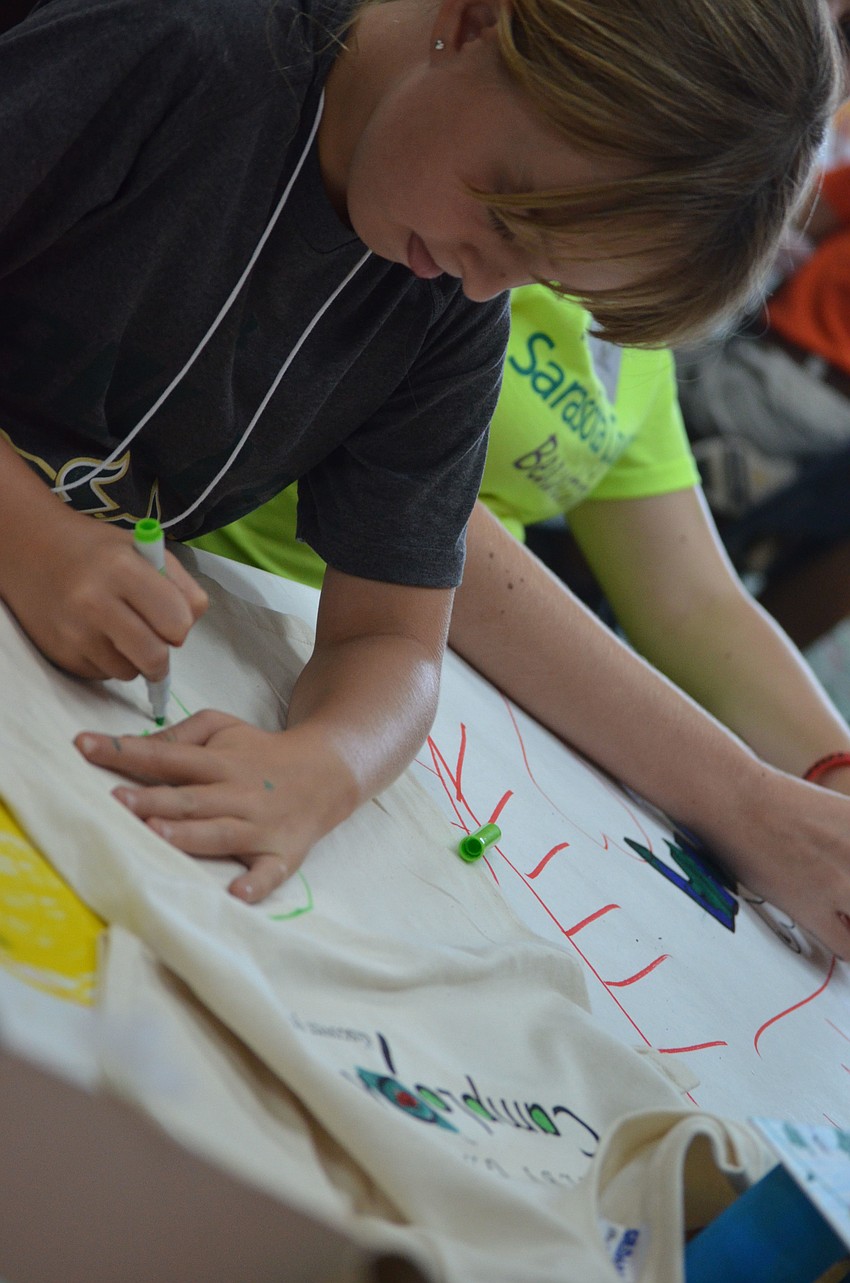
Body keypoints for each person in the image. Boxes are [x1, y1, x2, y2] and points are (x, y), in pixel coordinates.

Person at [0, 0, 840, 911]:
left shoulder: (444, 301)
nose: (487, 282)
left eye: (543, 277)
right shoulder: (188, 45)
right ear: (475, 23)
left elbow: (393, 635)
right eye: (507, 219)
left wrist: (328, 761)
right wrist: (30, 536)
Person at [198, 283, 850, 959]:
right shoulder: (469, 260)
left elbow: (694, 602)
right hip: (274, 625)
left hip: (415, 689)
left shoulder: (635, 329)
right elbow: (415, 517)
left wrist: (834, 782)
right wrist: (748, 804)